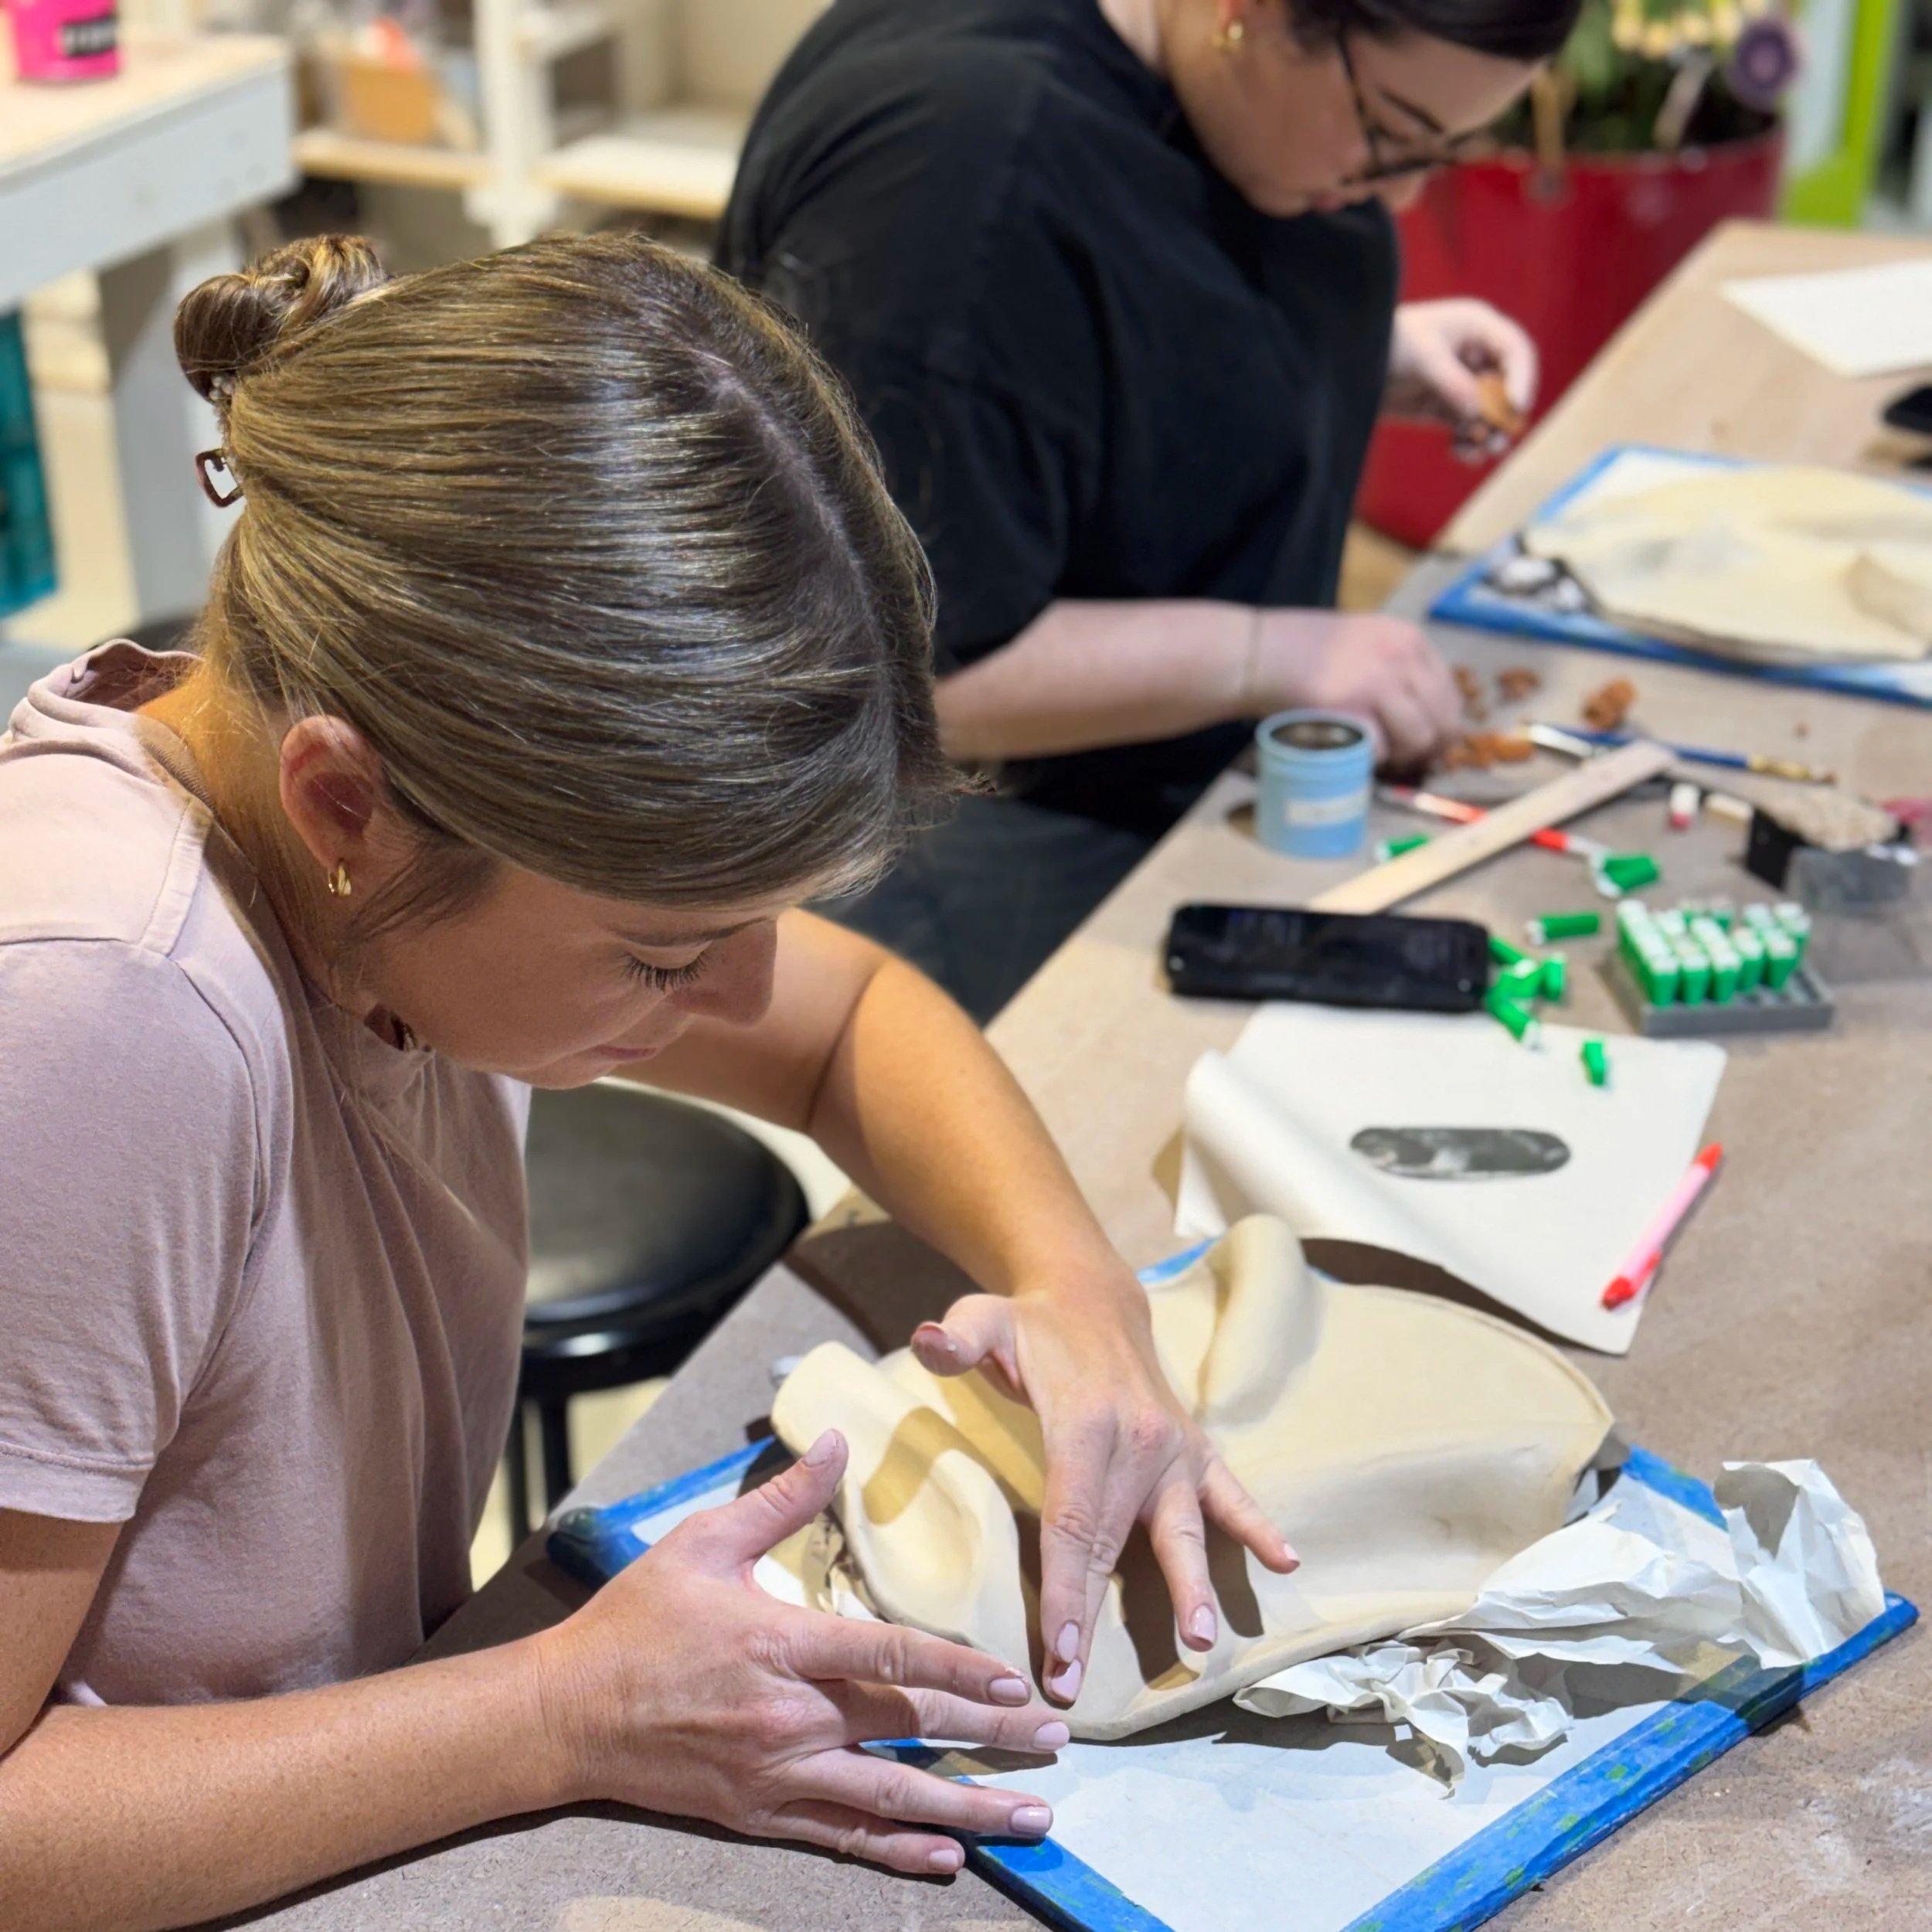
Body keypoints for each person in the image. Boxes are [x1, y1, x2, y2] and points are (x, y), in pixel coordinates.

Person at [0, 233, 1296, 1931]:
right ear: (346, 809)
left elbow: (851, 1028)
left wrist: (1074, 1290)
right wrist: (558, 1707)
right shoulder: (109, 1011)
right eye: (663, 955)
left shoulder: (357, 825)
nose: (737, 996)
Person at [719, 0, 1577, 1018]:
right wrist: (1271, 656)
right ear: (1247, 13)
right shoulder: (963, 179)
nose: (1398, 193)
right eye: (1391, 133)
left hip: (1184, 777)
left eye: (1454, 148)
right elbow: (892, 678)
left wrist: (1356, 351)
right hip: (987, 834)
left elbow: (1094, 338)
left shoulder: (1203, 88)